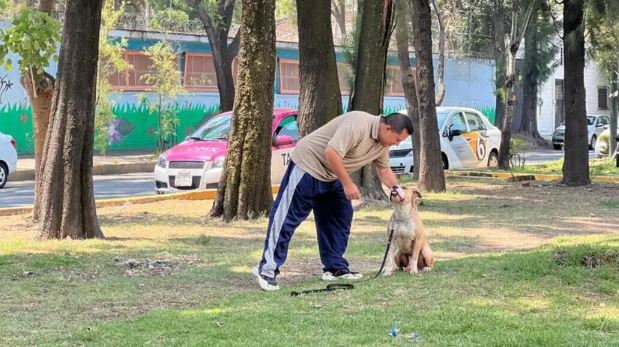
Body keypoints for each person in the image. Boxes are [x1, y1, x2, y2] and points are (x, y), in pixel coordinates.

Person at [251, 111, 413, 291]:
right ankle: (267, 270)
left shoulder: (382, 145)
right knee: (286, 219)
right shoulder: (357, 124)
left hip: (331, 175)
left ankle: (334, 267)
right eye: (397, 139)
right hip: (308, 166)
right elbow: (332, 152)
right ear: (387, 128)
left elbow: (384, 171)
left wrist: (397, 189)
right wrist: (347, 183)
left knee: (340, 216)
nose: (397, 143)